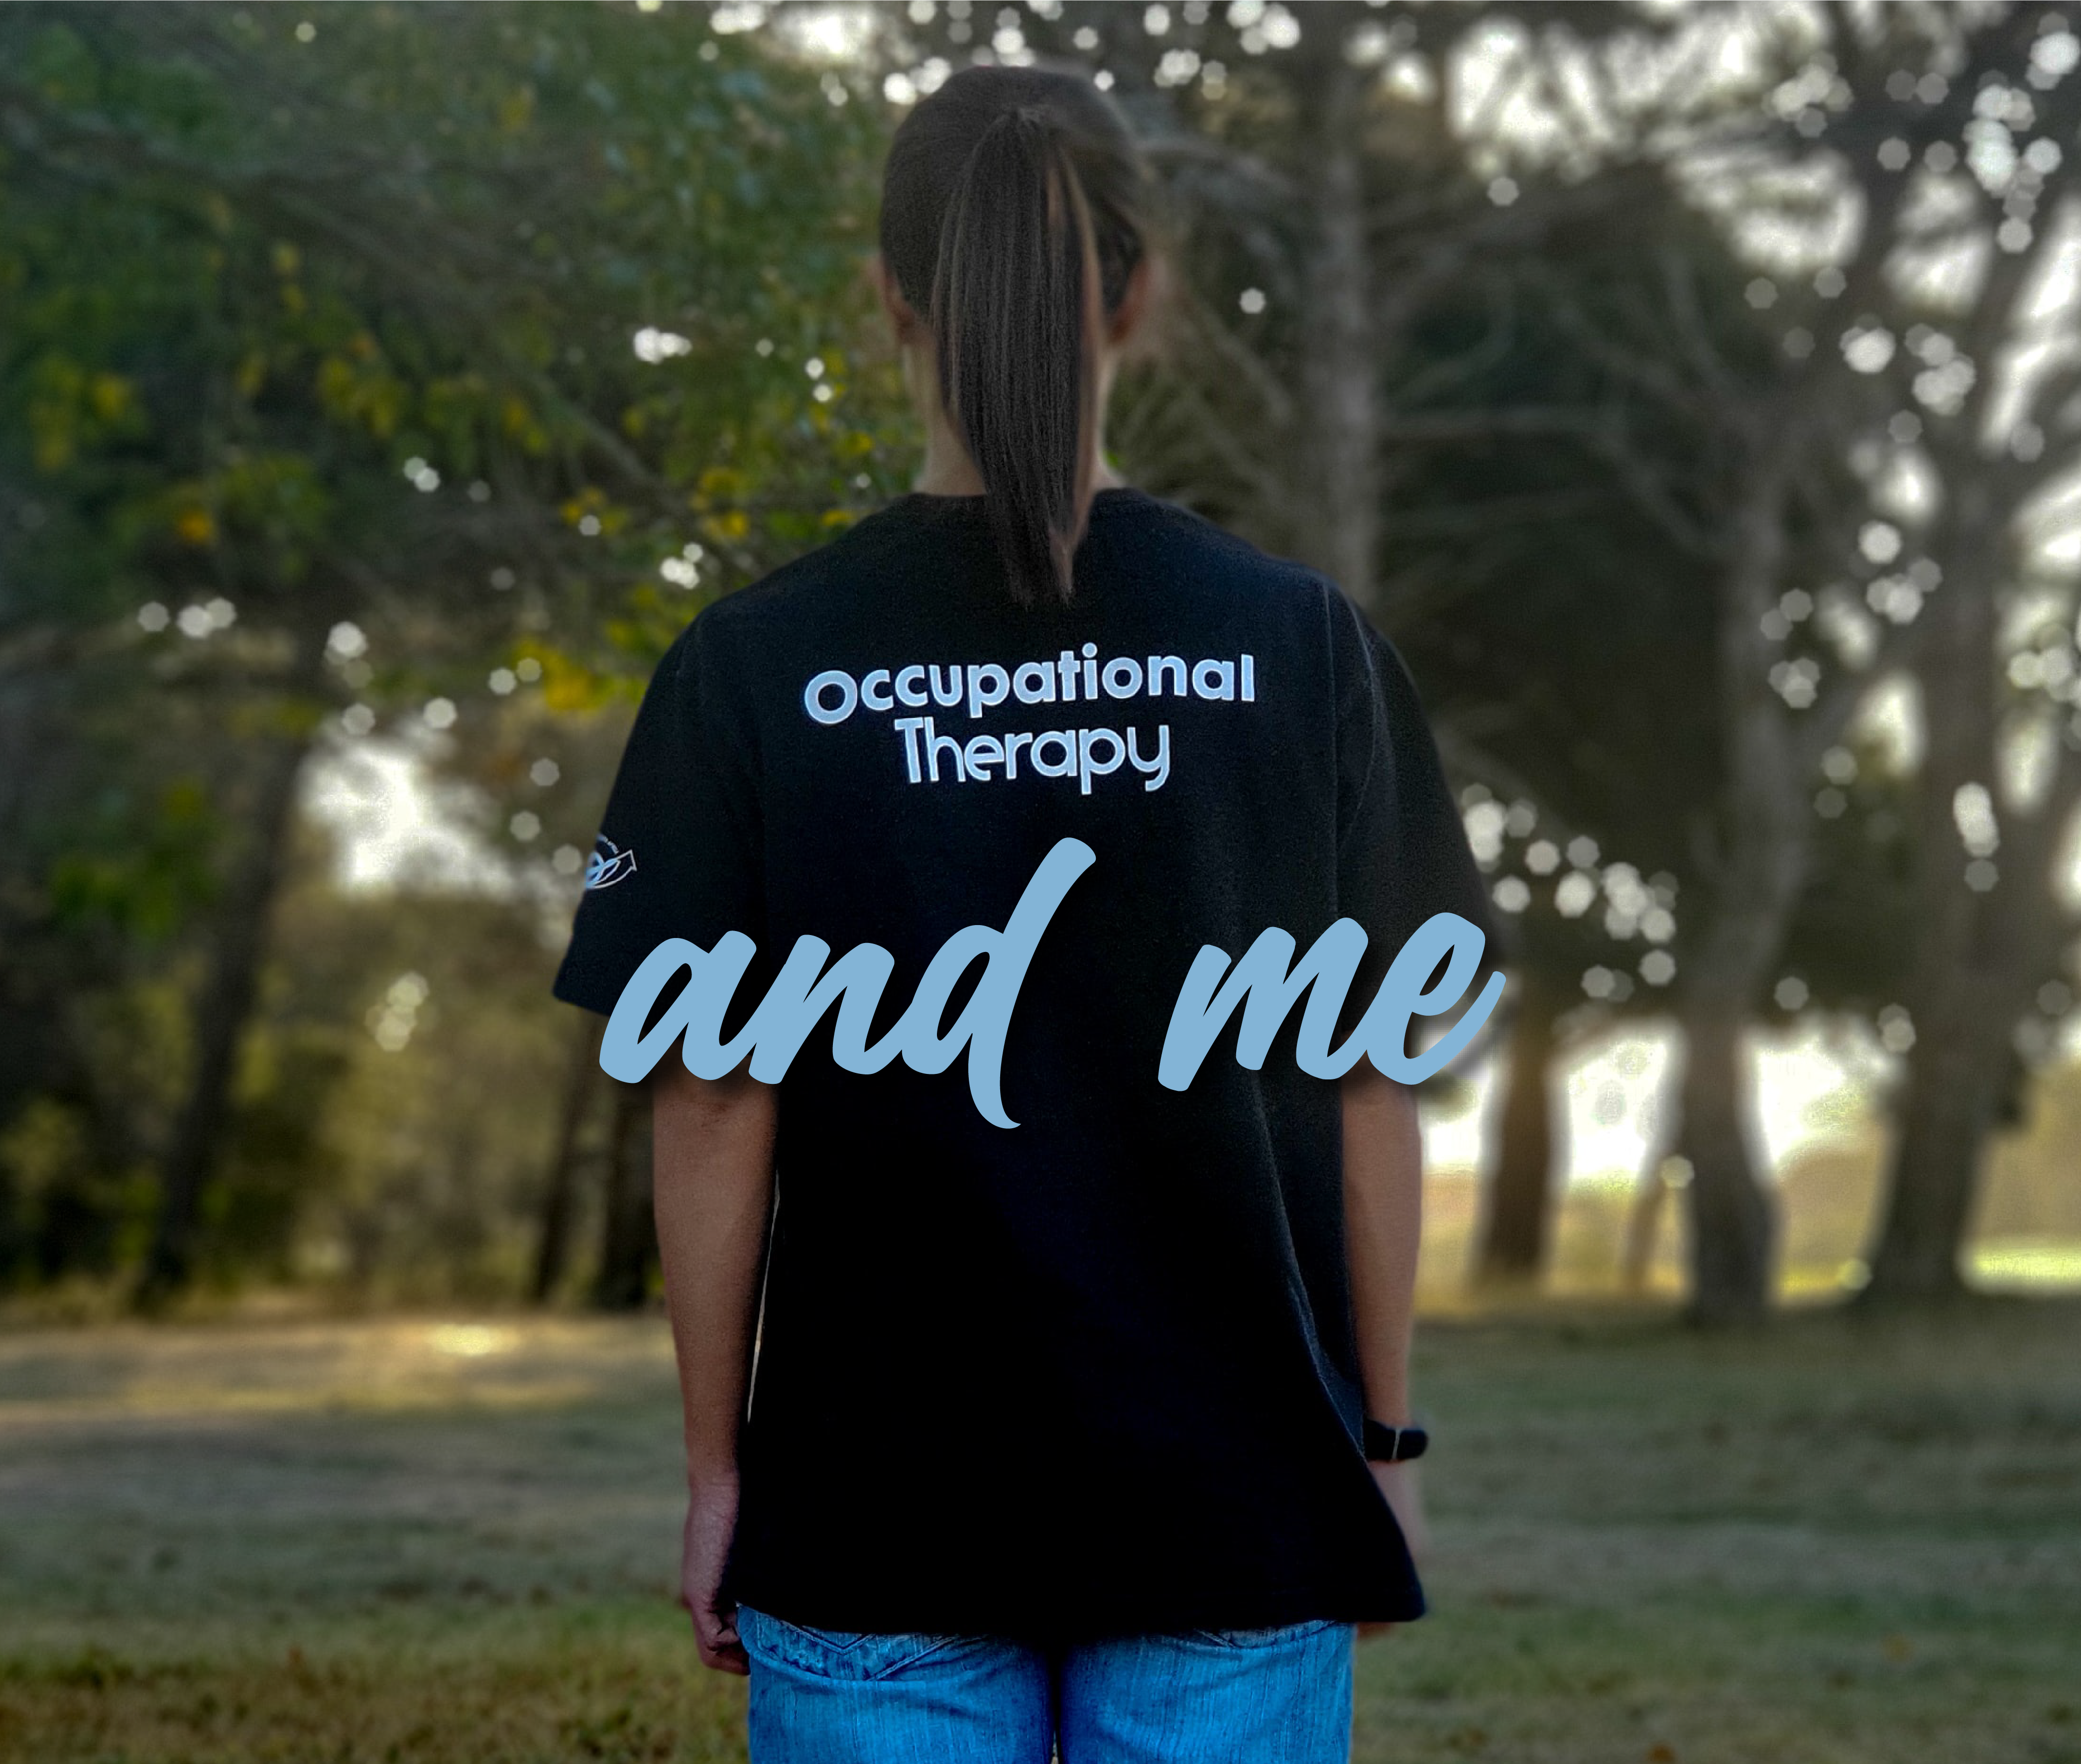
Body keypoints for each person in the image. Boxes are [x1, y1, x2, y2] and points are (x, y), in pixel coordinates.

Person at [551, 62, 1490, 1764]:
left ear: (889, 299)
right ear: (1136, 291)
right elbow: (1369, 1087)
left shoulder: (756, 667)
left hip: (871, 1511)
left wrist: (717, 1477)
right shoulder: (1305, 650)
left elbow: (710, 1093)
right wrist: (1383, 1445)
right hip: (1235, 1502)